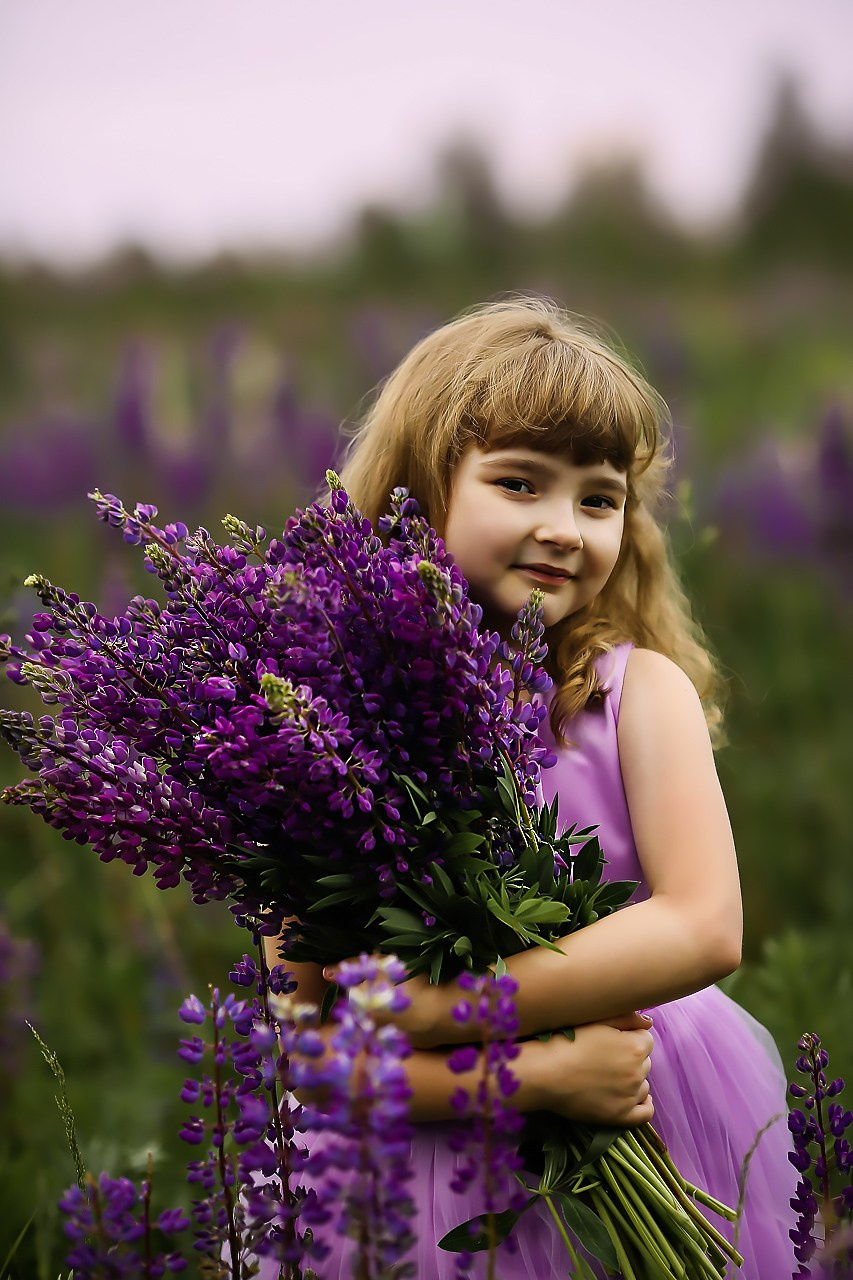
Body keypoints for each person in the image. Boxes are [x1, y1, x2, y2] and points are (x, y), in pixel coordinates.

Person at [263, 296, 796, 1277]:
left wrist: (454, 1007)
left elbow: (703, 923)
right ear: (423, 489)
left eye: (598, 498)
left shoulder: (638, 692)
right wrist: (532, 1071)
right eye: (520, 483)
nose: (563, 526)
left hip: (656, 1104)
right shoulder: (321, 729)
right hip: (418, 1176)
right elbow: (302, 1045)